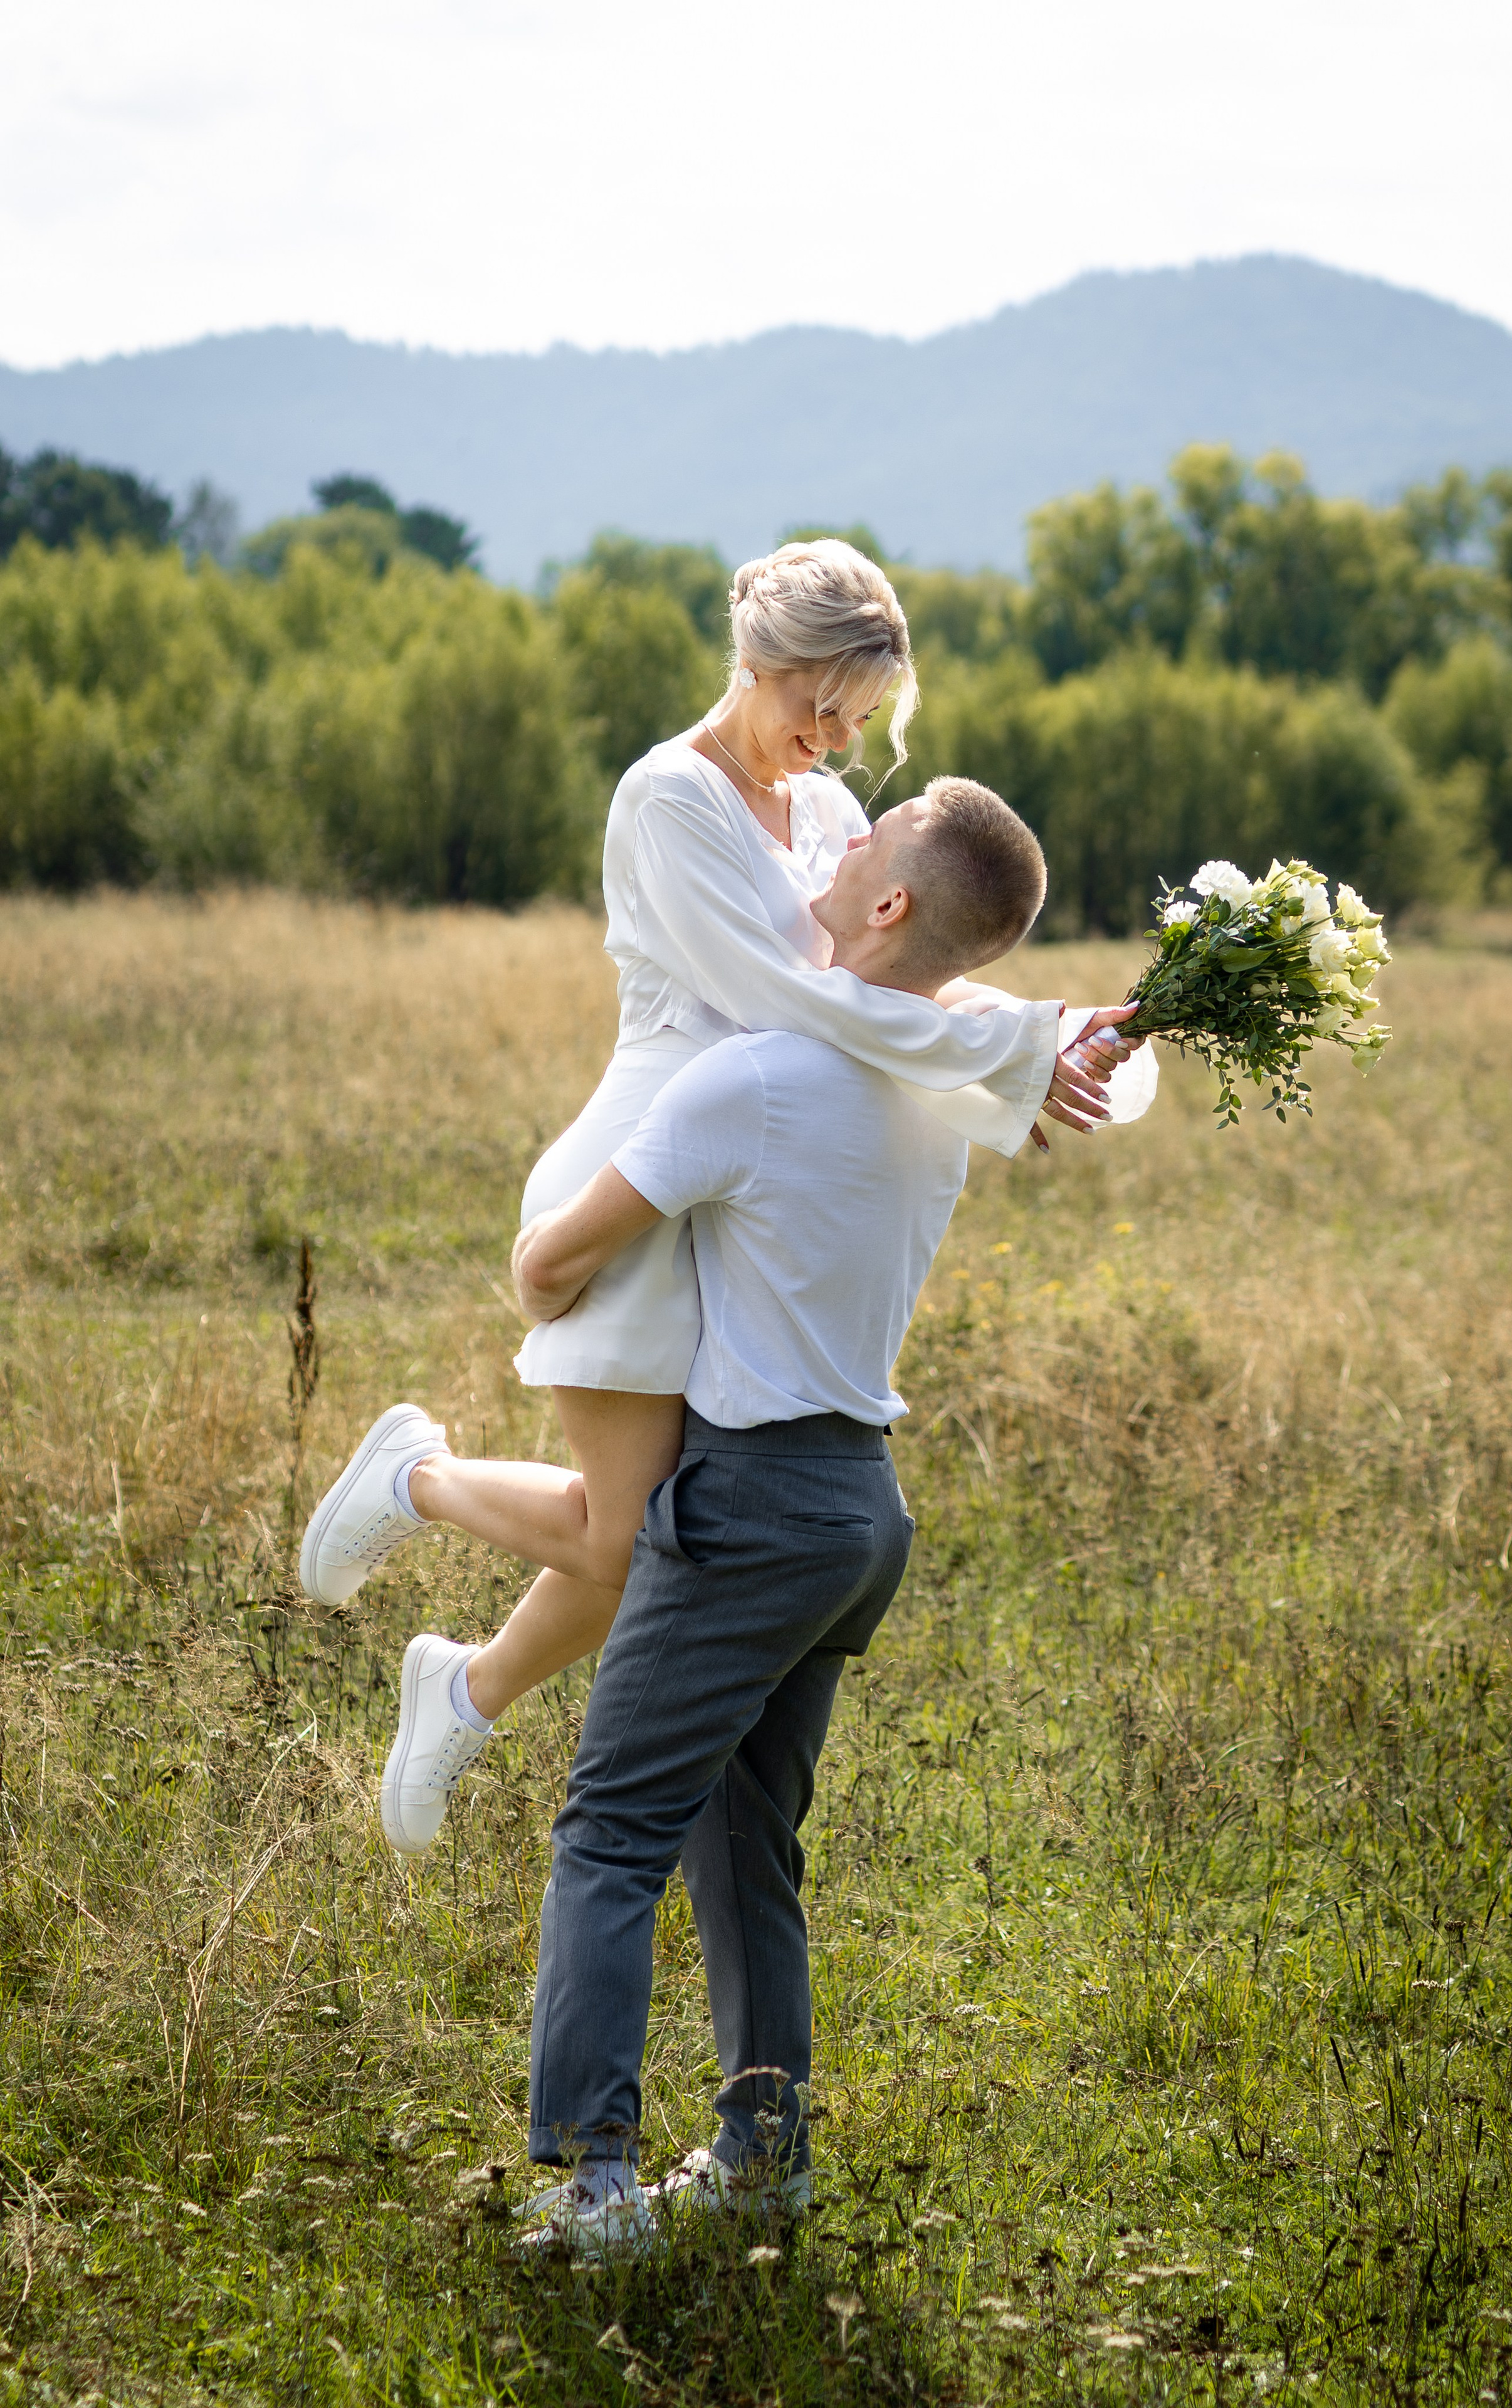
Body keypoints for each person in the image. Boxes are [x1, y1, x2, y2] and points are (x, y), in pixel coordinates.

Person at [297, 542, 1151, 1844]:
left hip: (747, 1193)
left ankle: (461, 1686)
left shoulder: (827, 811)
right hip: (647, 1164)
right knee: (629, 1540)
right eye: (822, 706)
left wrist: (1043, 1037)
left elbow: (886, 977)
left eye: (861, 718)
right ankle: (422, 1485)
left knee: (654, 1537)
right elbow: (784, 998)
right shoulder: (668, 798)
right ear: (756, 660)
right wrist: (1013, 1051)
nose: (837, 738)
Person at [451, 779, 1101, 2251]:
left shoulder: (747, 1081)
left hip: (747, 1505)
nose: (844, 829)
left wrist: (571, 1273)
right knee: (746, 1838)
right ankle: (761, 2161)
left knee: (611, 1827)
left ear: (888, 900)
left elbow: (546, 1266)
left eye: (876, 828)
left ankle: (594, 2181)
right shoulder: (937, 1098)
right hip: (859, 1510)